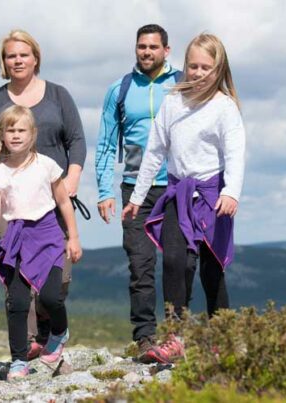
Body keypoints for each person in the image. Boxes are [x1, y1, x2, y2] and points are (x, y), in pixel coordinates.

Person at [122, 33, 246, 364]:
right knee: (175, 261)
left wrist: (231, 192)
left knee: (211, 269)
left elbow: (235, 154)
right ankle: (176, 338)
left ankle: (222, 338)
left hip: (213, 196)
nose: (198, 73)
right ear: (185, 66)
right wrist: (138, 196)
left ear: (218, 69)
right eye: (193, 66)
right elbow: (154, 151)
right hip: (178, 193)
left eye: (206, 67)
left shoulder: (224, 107)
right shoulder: (173, 102)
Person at [0, 30, 86, 359]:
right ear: (3, 62)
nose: (16, 60)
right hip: (11, 204)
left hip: (55, 200)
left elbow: (76, 140)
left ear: (36, 58)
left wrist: (72, 177)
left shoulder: (58, 95)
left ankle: (48, 334)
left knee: (55, 285)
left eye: (23, 54)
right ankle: (27, 345)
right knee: (18, 284)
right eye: (10, 56)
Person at [94, 24, 182, 362]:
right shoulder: (120, 89)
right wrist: (105, 191)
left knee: (176, 263)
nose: (146, 52)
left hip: (175, 185)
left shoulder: (181, 84)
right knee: (140, 264)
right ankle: (146, 338)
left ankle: (177, 334)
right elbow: (105, 144)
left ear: (166, 50)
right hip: (134, 190)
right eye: (141, 47)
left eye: (153, 47)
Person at [0, 105, 83, 379]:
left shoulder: (47, 165)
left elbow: (64, 202)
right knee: (16, 302)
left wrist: (72, 238)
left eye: (21, 130)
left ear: (33, 134)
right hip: (15, 240)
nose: (15, 135)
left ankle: (60, 331)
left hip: (49, 237)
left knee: (51, 297)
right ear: (2, 135)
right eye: (10, 130)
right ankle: (18, 360)